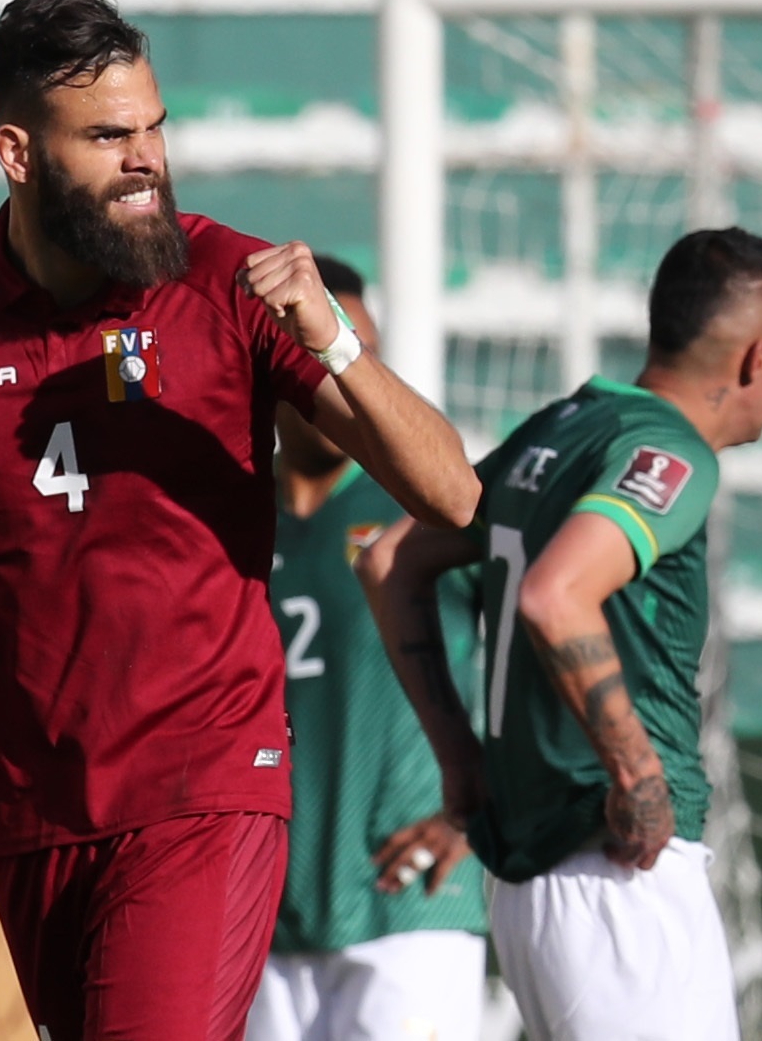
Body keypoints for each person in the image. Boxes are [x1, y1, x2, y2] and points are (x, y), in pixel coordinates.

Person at [0, 0, 478, 1041]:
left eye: (154, 127)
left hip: (203, 781)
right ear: (17, 151)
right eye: (108, 135)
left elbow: (453, 497)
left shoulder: (230, 283)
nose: (146, 160)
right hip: (27, 799)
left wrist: (338, 345)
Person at [357, 228, 762, 1041]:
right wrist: (637, 776)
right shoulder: (668, 452)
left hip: (533, 882)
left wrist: (461, 765)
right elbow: (556, 596)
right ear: (759, 357)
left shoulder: (560, 428)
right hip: (615, 870)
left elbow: (390, 561)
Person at [247, 254, 493, 1041]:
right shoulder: (228, 514)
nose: (347, 374)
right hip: (256, 919)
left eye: (359, 350)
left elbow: (551, 639)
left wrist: (484, 801)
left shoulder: (429, 501)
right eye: (320, 347)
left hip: (409, 908)